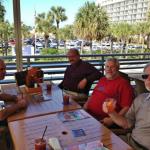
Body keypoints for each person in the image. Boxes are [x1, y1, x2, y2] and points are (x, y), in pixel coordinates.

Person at [103, 63, 150, 150]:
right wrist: (111, 112)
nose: (149, 80)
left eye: (112, 67)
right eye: (145, 76)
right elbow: (127, 124)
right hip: (129, 141)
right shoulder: (140, 98)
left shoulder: (123, 84)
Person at [84, 58, 134, 127]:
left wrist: (112, 120)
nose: (109, 69)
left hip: (102, 120)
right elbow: (93, 95)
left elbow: (126, 107)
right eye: (107, 66)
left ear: (117, 68)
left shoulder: (123, 84)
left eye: (112, 67)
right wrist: (85, 106)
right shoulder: (102, 79)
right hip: (88, 114)